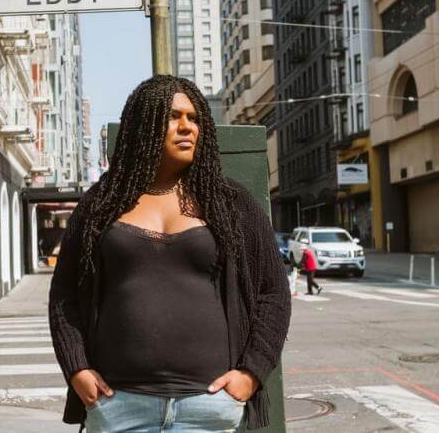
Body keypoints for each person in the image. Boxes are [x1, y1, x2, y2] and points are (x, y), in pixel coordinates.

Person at [48, 75, 291, 432]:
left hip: (208, 407)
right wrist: (77, 369)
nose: (187, 127)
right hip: (119, 407)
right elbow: (64, 296)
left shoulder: (231, 203)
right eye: (174, 116)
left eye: (193, 118)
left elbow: (274, 293)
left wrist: (250, 374)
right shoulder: (100, 205)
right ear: (144, 124)